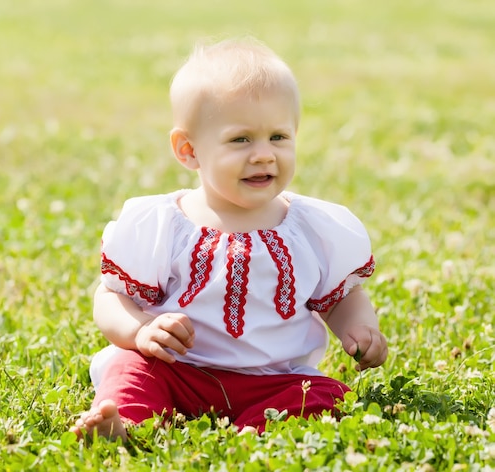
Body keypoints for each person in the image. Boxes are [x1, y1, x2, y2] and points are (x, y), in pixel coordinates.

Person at [71, 37, 388, 442]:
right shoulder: (167, 224)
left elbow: (342, 298)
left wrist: (360, 329)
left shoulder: (309, 229)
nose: (263, 155)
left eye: (278, 137)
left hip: (275, 381)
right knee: (132, 369)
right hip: (179, 371)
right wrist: (140, 331)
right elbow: (111, 296)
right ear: (188, 150)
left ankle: (252, 431)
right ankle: (127, 424)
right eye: (241, 139)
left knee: (325, 394)